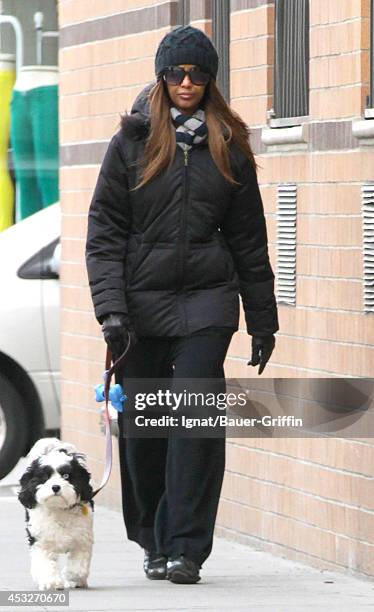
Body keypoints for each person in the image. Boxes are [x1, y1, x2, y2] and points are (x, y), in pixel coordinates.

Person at [85, 25, 279, 585]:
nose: (186, 83)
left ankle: (187, 547)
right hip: (140, 305)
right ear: (161, 76)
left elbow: (249, 239)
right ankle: (151, 536)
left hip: (207, 302)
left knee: (194, 420)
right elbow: (105, 234)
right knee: (146, 423)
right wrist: (111, 311)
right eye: (176, 73)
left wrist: (262, 319)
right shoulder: (132, 142)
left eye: (197, 73)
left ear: (210, 79)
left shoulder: (228, 144)